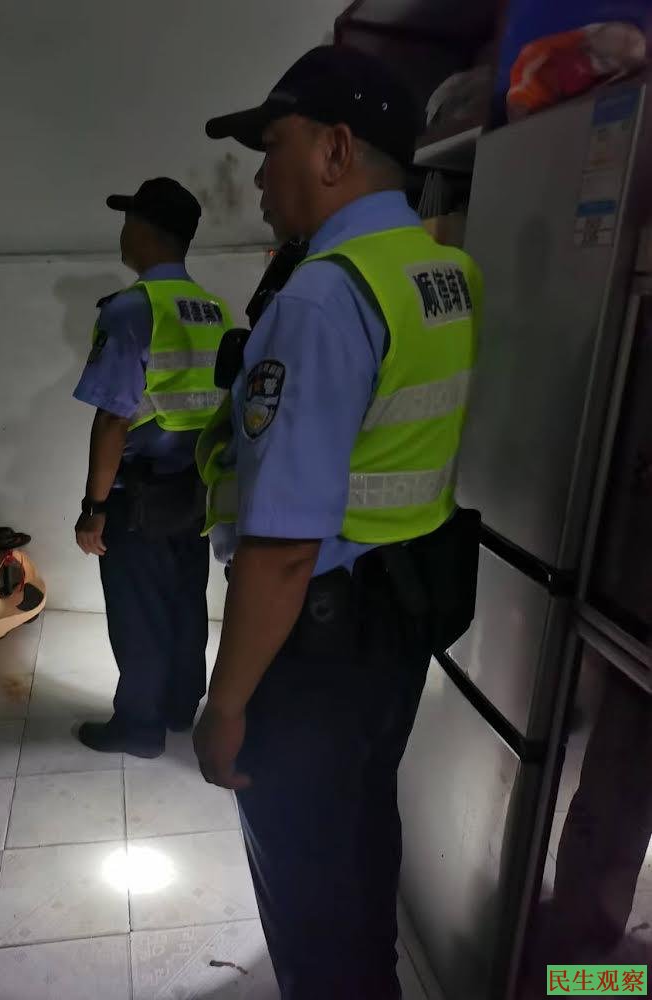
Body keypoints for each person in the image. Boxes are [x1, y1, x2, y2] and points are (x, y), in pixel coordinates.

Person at [193, 46, 482, 999]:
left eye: (271, 147)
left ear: (334, 150)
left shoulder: (322, 297)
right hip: (395, 624)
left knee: (309, 894)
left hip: (316, 647)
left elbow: (282, 550)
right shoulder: (441, 271)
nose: (257, 178)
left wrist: (226, 706)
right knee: (358, 848)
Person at [73, 177, 232, 758]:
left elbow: (113, 420)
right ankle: (179, 706)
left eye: (128, 221)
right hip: (195, 491)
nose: (122, 233)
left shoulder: (130, 310)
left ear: (144, 231)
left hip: (137, 499)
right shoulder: (214, 310)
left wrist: (94, 507)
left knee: (137, 612)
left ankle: (139, 727)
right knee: (185, 601)